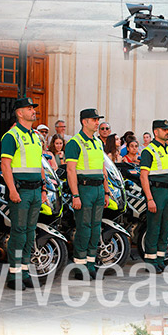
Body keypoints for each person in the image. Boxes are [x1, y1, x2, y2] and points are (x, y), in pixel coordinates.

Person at [0, 96, 47, 290]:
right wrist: (12, 190)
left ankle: (25, 271)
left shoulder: (36, 136)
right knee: (18, 232)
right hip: (20, 192)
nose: (33, 111)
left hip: (36, 191)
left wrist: (44, 188)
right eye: (29, 108)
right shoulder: (11, 136)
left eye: (33, 108)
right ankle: (14, 275)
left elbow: (40, 164)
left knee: (30, 232)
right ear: (20, 113)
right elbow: (5, 164)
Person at [65, 107, 109, 277]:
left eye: (98, 120)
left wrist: (106, 191)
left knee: (96, 228)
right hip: (84, 189)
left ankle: (91, 262)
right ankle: (80, 265)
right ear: (84, 122)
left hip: (98, 189)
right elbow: (70, 170)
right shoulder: (75, 142)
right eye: (94, 120)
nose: (98, 123)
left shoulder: (98, 142)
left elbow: (102, 168)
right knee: (84, 227)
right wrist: (75, 195)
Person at [139, 119, 168, 274]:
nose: (167, 132)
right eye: (164, 130)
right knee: (154, 227)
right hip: (156, 192)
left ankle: (160, 260)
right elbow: (144, 176)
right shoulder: (148, 151)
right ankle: (150, 261)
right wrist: (149, 198)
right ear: (156, 132)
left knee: (166, 227)